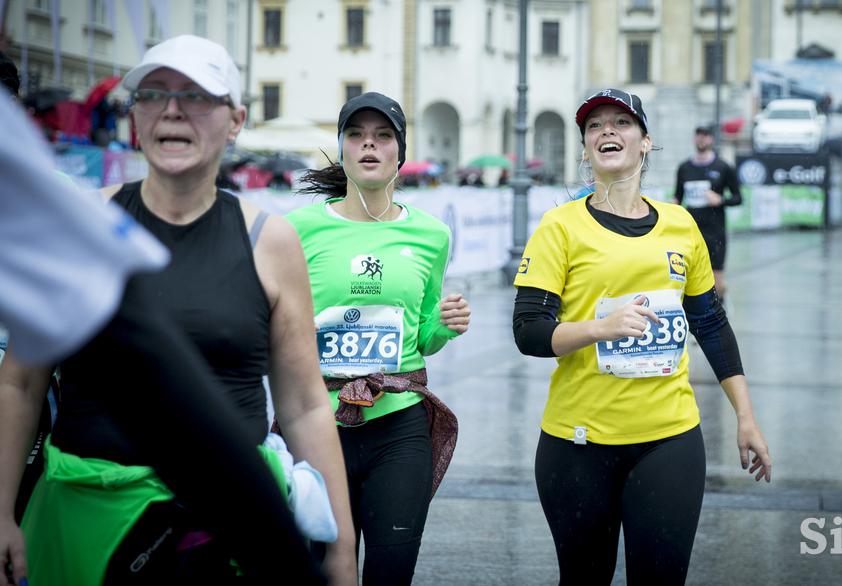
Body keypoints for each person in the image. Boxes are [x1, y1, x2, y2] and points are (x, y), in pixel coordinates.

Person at [1, 35, 358, 585]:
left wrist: (341, 544)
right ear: (135, 118)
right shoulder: (81, 226)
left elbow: (307, 404)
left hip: (224, 526)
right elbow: (20, 385)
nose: (172, 109)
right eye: (153, 93)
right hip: (82, 520)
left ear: (235, 120)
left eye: (196, 96)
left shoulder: (271, 241)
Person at [513, 88, 771, 584]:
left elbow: (711, 324)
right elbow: (528, 331)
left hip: (669, 438)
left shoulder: (680, 225)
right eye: (595, 126)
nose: (607, 130)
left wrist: (746, 417)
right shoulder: (559, 227)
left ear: (646, 142)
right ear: (586, 148)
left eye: (622, 123)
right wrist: (600, 328)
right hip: (578, 443)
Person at [290, 92, 470, 585]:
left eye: (383, 136)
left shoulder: (431, 235)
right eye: (357, 135)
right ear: (343, 150)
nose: (369, 144)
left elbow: (424, 336)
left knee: (391, 573)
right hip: (318, 424)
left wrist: (445, 325)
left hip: (398, 426)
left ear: (400, 153)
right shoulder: (298, 229)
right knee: (324, 570)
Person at [674, 124, 743, 301]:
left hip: (715, 232)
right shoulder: (684, 168)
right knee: (688, 277)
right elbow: (678, 198)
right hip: (690, 232)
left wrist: (720, 199)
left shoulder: (723, 167)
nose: (701, 139)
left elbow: (738, 198)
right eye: (698, 135)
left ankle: (721, 307)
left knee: (717, 281)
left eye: (705, 135)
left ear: (711, 139)